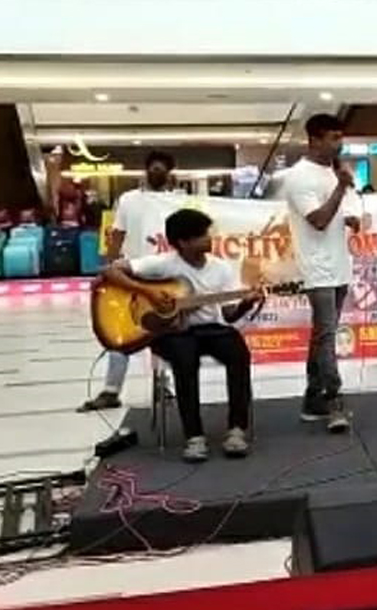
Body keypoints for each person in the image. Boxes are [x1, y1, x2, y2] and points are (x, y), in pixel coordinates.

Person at [103, 209, 261, 462]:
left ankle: (236, 430)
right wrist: (148, 292)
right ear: (183, 242)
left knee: (238, 352)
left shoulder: (221, 268)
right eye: (202, 235)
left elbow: (229, 316)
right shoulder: (163, 264)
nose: (209, 238)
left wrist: (245, 304)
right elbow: (111, 271)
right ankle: (194, 437)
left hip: (210, 328)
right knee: (185, 359)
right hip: (173, 333)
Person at [79, 151, 176, 412]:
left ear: (169, 174)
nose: (157, 172)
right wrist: (108, 269)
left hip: (164, 276)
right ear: (146, 170)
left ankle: (162, 386)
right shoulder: (128, 200)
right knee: (119, 329)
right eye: (153, 168)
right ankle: (111, 391)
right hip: (128, 273)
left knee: (160, 333)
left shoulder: (177, 202)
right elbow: (117, 236)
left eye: (162, 169)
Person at [283, 114, 360, 433]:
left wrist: (351, 218)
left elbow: (338, 214)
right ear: (314, 140)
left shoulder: (333, 171)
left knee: (321, 336)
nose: (338, 144)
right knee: (327, 336)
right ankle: (334, 399)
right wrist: (341, 187)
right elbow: (317, 220)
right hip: (316, 267)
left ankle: (312, 400)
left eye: (341, 137)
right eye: (333, 138)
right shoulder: (298, 176)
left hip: (338, 263)